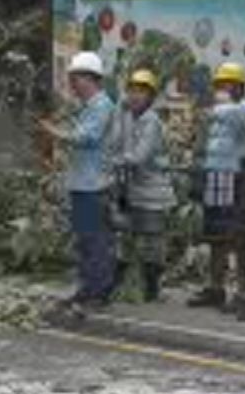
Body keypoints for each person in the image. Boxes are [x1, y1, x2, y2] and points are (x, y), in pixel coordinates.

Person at [189, 62, 245, 319]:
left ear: (240, 86)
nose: (222, 88)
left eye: (227, 83)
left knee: (239, 239)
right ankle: (215, 288)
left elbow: (228, 114)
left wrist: (213, 108)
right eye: (219, 84)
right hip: (217, 179)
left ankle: (244, 293)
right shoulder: (221, 115)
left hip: (239, 181)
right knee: (216, 238)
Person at [48, 51, 120, 308]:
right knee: (84, 239)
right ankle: (87, 287)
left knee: (95, 239)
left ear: (90, 79)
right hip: (82, 182)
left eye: (76, 79)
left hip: (94, 184)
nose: (73, 85)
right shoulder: (88, 107)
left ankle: (99, 291)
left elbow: (87, 137)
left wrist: (55, 132)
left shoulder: (102, 106)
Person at [115, 68, 173, 302]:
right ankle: (126, 283)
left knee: (152, 240)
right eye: (132, 91)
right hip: (132, 188)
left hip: (153, 191)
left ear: (151, 97)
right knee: (127, 238)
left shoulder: (152, 122)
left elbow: (140, 156)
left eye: (142, 92)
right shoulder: (128, 117)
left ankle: (152, 288)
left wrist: (113, 160)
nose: (135, 96)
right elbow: (118, 142)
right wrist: (120, 110)